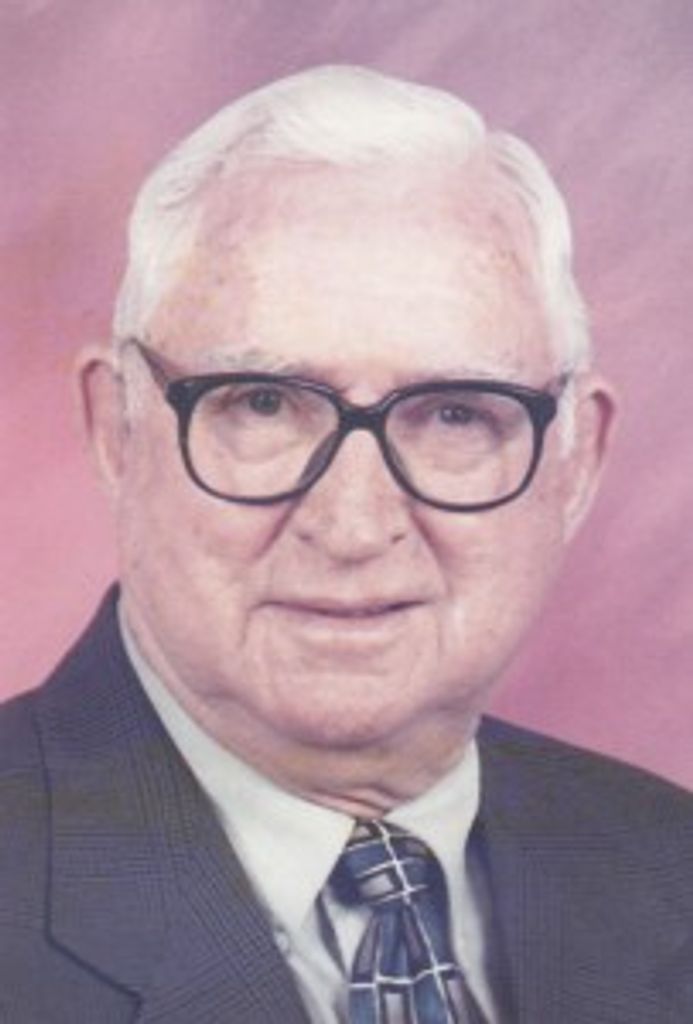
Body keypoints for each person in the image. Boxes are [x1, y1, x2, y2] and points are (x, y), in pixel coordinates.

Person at [1, 65, 691, 1024]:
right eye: (263, 403)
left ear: (575, 461)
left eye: (454, 414)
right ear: (116, 429)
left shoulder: (669, 869)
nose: (354, 527)